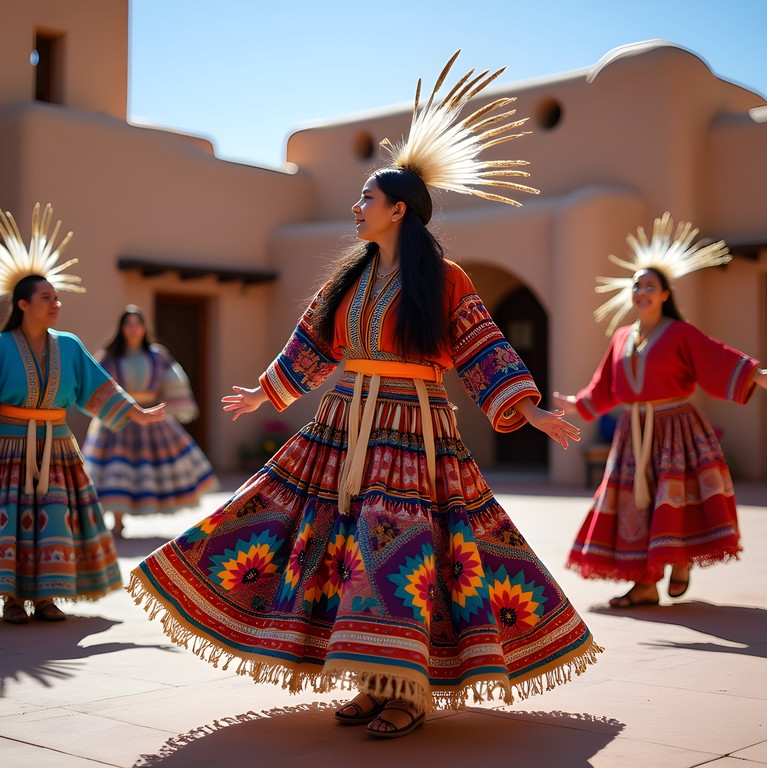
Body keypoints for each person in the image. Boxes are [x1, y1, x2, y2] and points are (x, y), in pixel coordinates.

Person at [128, 51, 600, 740]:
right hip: (344, 422)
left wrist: (528, 410)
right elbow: (313, 344)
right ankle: (366, 680)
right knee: (327, 536)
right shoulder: (348, 279)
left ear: (398, 209)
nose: (356, 209)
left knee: (401, 543)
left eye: (367, 200)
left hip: (414, 428)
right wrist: (268, 391)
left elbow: (481, 347)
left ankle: (408, 692)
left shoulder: (446, 279)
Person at [0, 204, 166, 624]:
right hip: (8, 444)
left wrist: (137, 413)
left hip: (58, 446)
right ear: (23, 304)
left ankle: (46, 598)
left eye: (56, 297)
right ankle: (10, 598)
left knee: (54, 518)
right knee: (9, 519)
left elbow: (99, 388)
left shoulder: (71, 345)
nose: (55, 303)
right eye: (46, 297)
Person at [554, 213, 767, 608]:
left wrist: (755, 374)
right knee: (633, 504)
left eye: (650, 286)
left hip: (675, 429)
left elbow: (714, 357)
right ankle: (645, 585)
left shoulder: (680, 333)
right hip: (632, 433)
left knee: (673, 498)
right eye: (637, 285)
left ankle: (679, 559)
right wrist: (577, 404)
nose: (642, 291)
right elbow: (605, 386)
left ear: (666, 294)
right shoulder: (621, 338)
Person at [82, 305, 219, 537]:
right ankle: (117, 520)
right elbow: (94, 381)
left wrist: (169, 407)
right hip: (119, 418)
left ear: (144, 327)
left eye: (138, 324)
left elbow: (173, 380)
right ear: (122, 328)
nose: (134, 329)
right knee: (118, 468)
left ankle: (128, 517)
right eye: (129, 324)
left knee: (149, 470)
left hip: (151, 416)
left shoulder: (157, 355)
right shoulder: (110, 356)